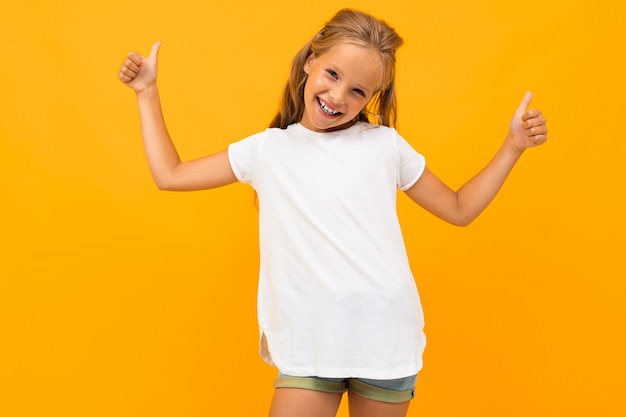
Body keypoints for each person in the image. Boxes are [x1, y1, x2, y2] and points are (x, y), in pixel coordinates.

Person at [118, 8, 547, 417]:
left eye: (358, 90)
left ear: (373, 96)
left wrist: (513, 146)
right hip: (308, 342)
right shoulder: (268, 149)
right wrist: (147, 91)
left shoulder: (385, 145)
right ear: (310, 61)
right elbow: (170, 175)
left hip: (384, 337)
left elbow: (459, 208)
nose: (338, 96)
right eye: (332, 74)